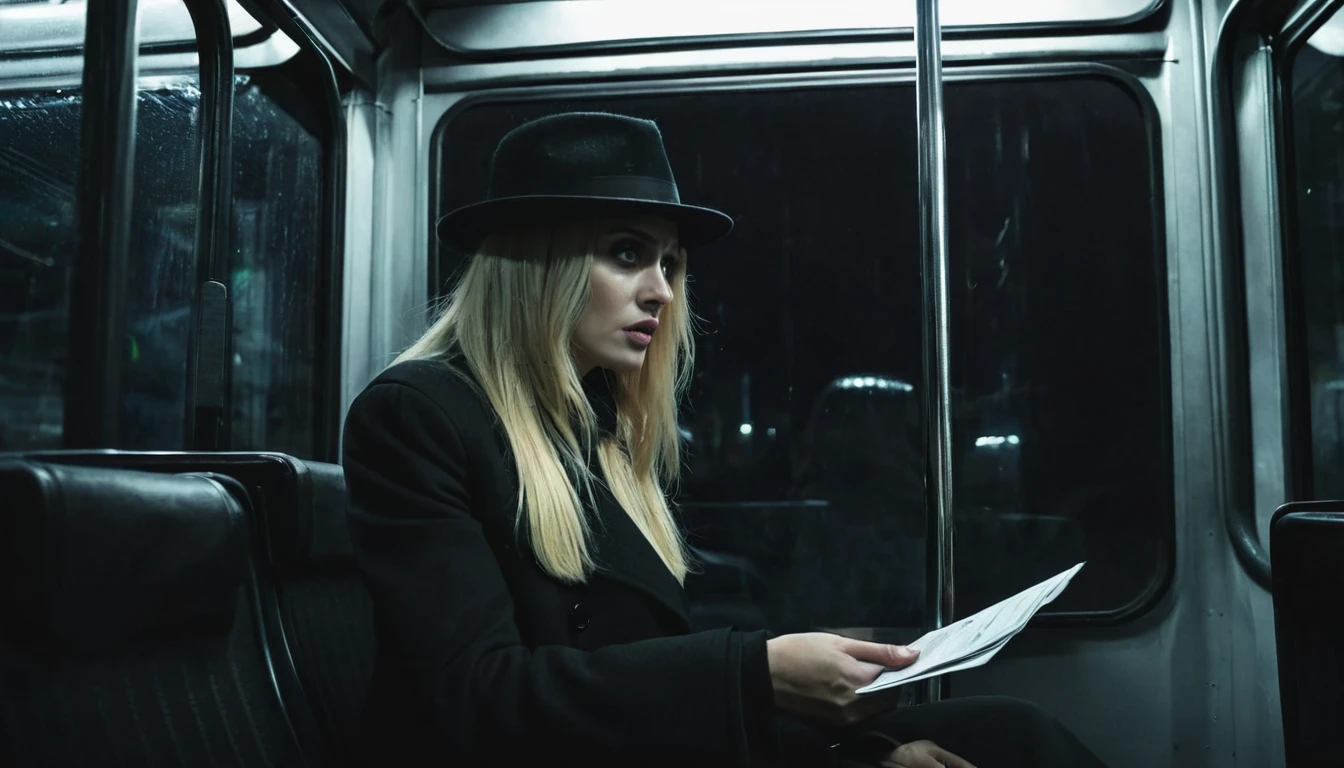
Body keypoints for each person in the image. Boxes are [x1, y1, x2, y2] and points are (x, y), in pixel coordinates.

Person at [342, 111, 1109, 767]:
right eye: (626, 253)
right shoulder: (419, 415)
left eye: (670, 263)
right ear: (538, 261)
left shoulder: (595, 432)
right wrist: (753, 675)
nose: (661, 291)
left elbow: (648, 677)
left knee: (1007, 733)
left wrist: (864, 749)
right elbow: (480, 699)